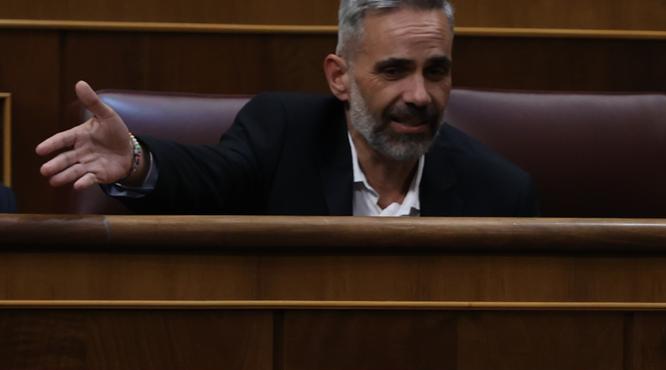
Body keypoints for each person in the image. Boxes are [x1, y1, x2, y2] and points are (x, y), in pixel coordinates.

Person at [34, 0, 537, 216]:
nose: (419, 96)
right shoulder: (283, 132)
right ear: (339, 77)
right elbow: (213, 178)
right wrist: (138, 159)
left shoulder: (499, 192)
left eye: (436, 71)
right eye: (393, 71)